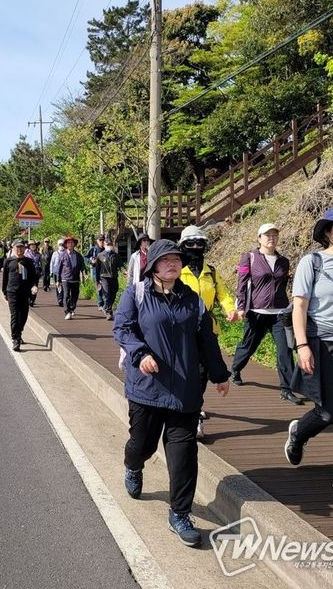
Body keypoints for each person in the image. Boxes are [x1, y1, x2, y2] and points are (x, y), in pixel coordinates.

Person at [113, 239, 230, 547]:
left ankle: (179, 514)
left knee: (183, 456)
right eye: (165, 260)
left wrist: (219, 374)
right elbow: (123, 328)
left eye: (176, 259)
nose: (173, 263)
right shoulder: (137, 294)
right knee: (142, 445)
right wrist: (140, 353)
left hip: (185, 391)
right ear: (152, 265)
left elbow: (207, 340)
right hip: (147, 388)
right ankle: (133, 465)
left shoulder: (193, 300)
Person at [285, 207, 333, 502]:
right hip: (322, 345)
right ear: (328, 232)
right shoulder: (313, 262)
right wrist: (302, 346)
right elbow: (299, 307)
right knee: (327, 413)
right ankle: (299, 434)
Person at [178, 225, 240, 439]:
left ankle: (195, 411)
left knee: (203, 372)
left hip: (207, 329)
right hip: (182, 330)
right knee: (186, 371)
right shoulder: (177, 270)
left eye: (200, 243)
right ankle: (188, 408)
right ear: (183, 246)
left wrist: (230, 309)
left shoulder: (211, 272)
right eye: (190, 243)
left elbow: (223, 294)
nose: (195, 247)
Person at [231, 223, 299, 403]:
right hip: (257, 311)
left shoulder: (284, 261)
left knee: (285, 350)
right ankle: (235, 369)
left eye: (275, 235)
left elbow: (284, 285)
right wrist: (241, 307)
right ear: (259, 238)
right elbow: (241, 284)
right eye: (267, 235)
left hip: (280, 312)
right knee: (248, 346)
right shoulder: (249, 258)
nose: (271, 238)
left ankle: (287, 389)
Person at [2, 239, 37, 352]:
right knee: (15, 315)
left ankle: (19, 332)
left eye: (22, 247)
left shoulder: (29, 262)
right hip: (12, 292)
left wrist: (34, 286)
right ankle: (15, 339)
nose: (20, 249)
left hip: (25, 292)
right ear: (13, 248)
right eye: (17, 247)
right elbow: (5, 278)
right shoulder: (8, 261)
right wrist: (4, 292)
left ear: (24, 249)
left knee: (23, 315)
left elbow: (33, 277)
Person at [56, 236, 87, 320]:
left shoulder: (78, 255)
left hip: (75, 278)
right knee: (66, 295)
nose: (70, 244)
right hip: (65, 278)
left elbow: (82, 266)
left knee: (75, 296)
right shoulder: (62, 255)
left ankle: (72, 308)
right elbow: (59, 268)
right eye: (68, 243)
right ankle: (67, 312)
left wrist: (85, 273)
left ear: (74, 244)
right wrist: (58, 280)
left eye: (72, 242)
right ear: (66, 245)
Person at [94, 237, 122, 320]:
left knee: (114, 293)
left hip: (114, 277)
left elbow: (120, 265)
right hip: (104, 278)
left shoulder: (116, 255)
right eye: (107, 244)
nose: (109, 246)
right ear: (104, 245)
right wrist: (97, 280)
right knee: (107, 294)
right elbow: (97, 269)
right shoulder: (100, 255)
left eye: (110, 244)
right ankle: (109, 312)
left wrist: (124, 271)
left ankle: (106, 307)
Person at [86, 234, 106, 310]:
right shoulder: (93, 249)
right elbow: (85, 257)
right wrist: (91, 261)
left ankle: (105, 303)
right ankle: (100, 303)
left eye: (103, 240)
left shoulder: (106, 249)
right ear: (97, 241)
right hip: (96, 271)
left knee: (106, 288)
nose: (102, 241)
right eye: (100, 240)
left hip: (106, 271)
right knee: (99, 287)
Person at [24, 240, 42, 306]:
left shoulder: (38, 254)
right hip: (28, 273)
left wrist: (40, 270)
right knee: (28, 286)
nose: (33, 246)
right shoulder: (26, 254)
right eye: (31, 245)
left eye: (34, 245)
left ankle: (32, 300)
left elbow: (41, 263)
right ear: (29, 246)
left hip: (36, 273)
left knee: (35, 286)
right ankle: (28, 298)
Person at [50, 239, 65, 308]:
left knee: (64, 286)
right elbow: (52, 263)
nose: (61, 246)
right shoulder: (55, 253)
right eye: (60, 244)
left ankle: (63, 298)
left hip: (64, 273)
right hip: (56, 272)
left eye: (62, 244)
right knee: (58, 285)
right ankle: (59, 298)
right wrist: (51, 272)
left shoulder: (66, 252)